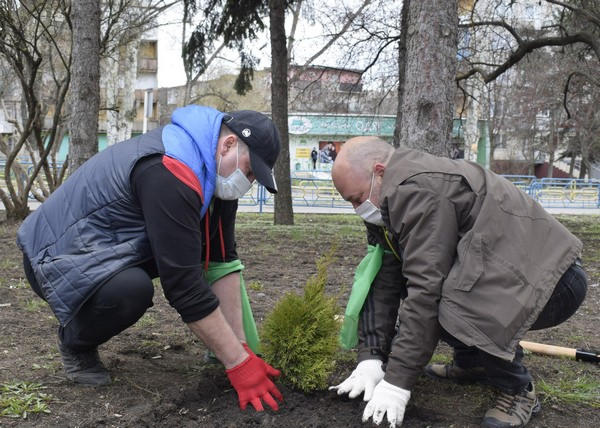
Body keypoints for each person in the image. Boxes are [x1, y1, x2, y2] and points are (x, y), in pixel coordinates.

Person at [17, 105, 284, 412]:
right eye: (249, 171)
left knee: (177, 259)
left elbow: (223, 263)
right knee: (131, 291)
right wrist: (238, 366)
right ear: (228, 145)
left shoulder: (216, 181)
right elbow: (183, 286)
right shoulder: (171, 170)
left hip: (112, 251)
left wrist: (241, 349)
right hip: (55, 257)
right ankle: (76, 344)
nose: (247, 182)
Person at [329, 137, 587, 428]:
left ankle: (517, 390)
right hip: (516, 281)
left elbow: (427, 291)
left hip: (554, 284)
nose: (357, 209)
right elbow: (385, 277)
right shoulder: (386, 196)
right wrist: (371, 357)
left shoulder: (416, 191)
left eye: (356, 198)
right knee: (438, 287)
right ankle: (473, 361)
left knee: (449, 299)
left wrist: (397, 383)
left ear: (378, 171)